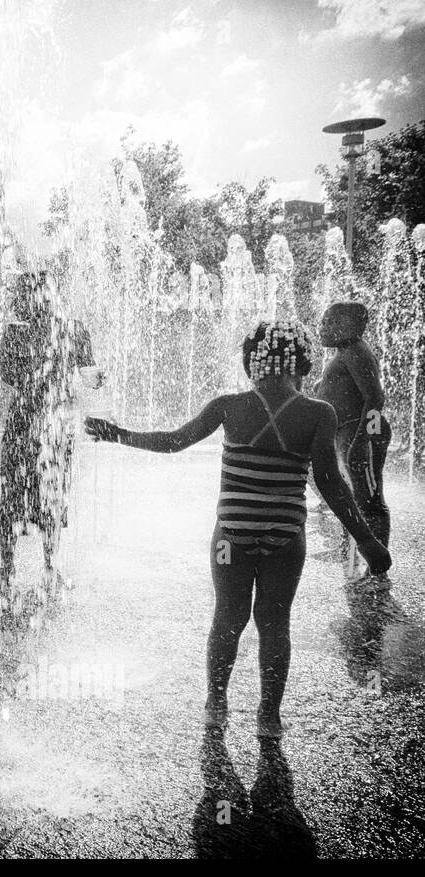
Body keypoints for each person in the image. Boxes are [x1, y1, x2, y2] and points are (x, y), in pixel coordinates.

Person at [86, 320, 391, 738]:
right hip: (285, 536)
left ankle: (216, 704)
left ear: (253, 362)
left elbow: (174, 442)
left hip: (232, 534)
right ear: (300, 363)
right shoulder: (319, 414)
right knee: (275, 623)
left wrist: (116, 434)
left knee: (228, 617)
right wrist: (367, 540)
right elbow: (331, 485)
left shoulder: (229, 406)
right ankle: (268, 717)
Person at [0, 271, 100, 591]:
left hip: (20, 423)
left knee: (11, 498)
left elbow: (8, 377)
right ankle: (49, 566)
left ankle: (7, 571)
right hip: (54, 426)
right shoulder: (72, 329)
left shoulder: (13, 333)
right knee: (52, 496)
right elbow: (91, 378)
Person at [313, 302, 391, 554]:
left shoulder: (356, 351)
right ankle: (349, 549)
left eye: (329, 322)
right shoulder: (345, 352)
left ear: (348, 325)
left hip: (359, 432)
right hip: (348, 432)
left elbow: (375, 398)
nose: (322, 328)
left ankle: (378, 568)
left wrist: (361, 441)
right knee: (351, 494)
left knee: (369, 499)